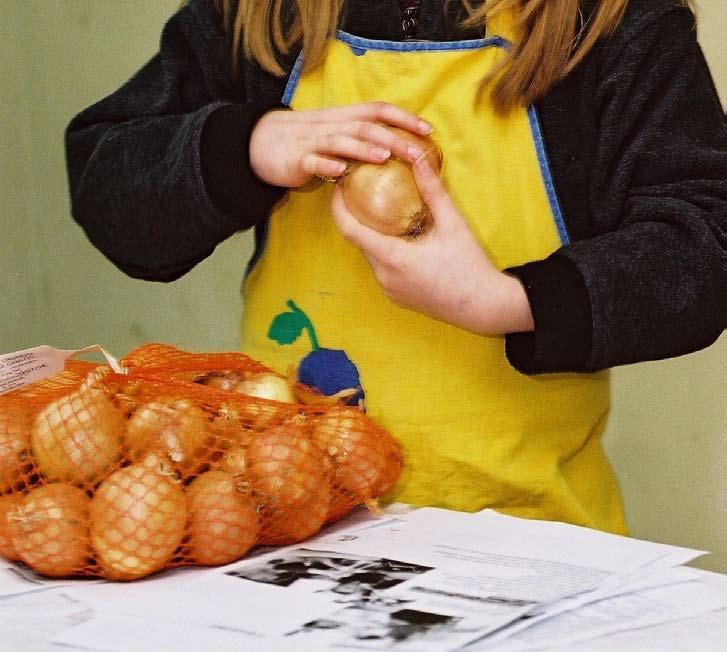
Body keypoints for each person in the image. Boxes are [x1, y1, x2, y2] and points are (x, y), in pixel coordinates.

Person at [65, 0, 727, 535]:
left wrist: (505, 301)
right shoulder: (262, 16)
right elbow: (108, 191)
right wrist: (246, 146)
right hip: (288, 533)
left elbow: (705, 242)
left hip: (525, 544)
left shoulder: (614, 26)